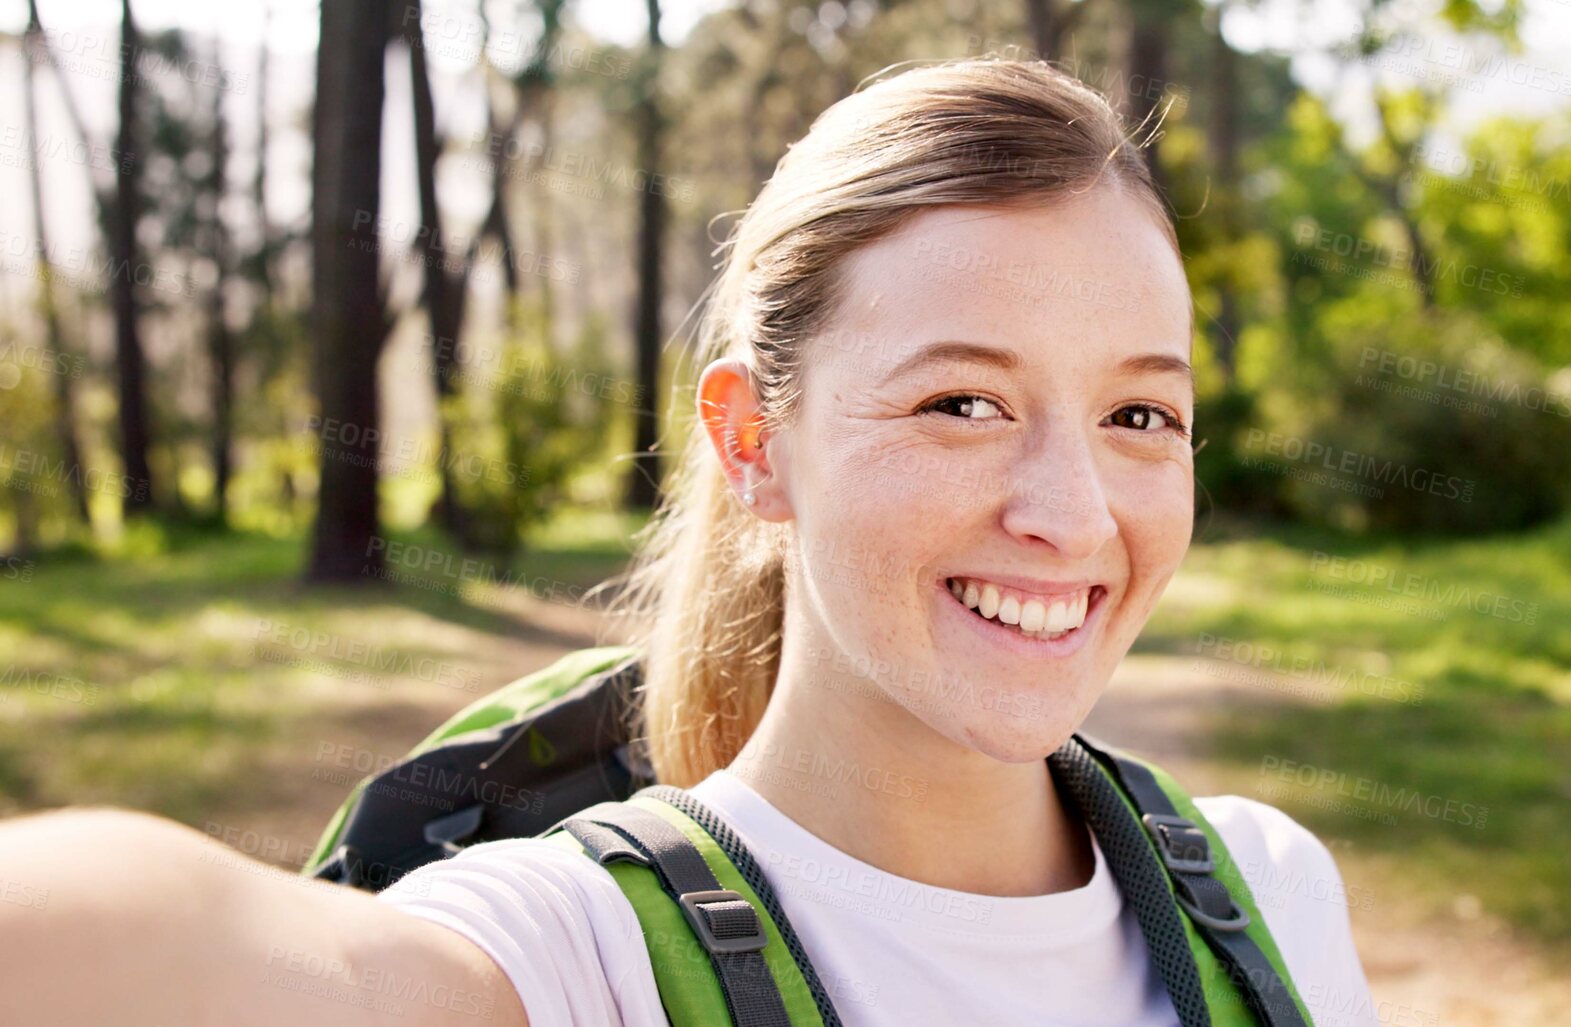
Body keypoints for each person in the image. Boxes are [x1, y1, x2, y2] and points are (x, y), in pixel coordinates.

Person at [0, 58, 1377, 1027]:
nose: (1072, 513)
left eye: (1141, 411)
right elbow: (151, 941)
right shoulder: (577, 953)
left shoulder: (1261, 898)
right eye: (963, 401)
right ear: (750, 442)